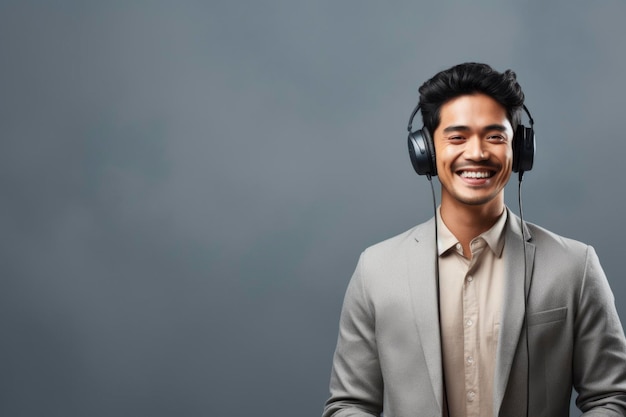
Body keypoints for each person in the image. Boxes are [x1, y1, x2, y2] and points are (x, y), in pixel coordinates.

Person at [322, 63, 626, 417]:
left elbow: (612, 398)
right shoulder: (376, 269)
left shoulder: (575, 266)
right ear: (425, 151)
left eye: (495, 136)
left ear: (520, 151)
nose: (478, 153)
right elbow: (349, 404)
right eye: (457, 137)